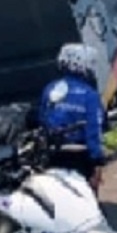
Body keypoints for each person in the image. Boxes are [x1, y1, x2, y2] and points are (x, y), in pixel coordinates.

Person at [38, 43, 106, 195]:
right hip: (80, 157)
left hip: (52, 154)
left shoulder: (50, 88)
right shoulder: (90, 95)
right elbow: (94, 130)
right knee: (86, 198)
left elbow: (41, 118)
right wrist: (97, 161)